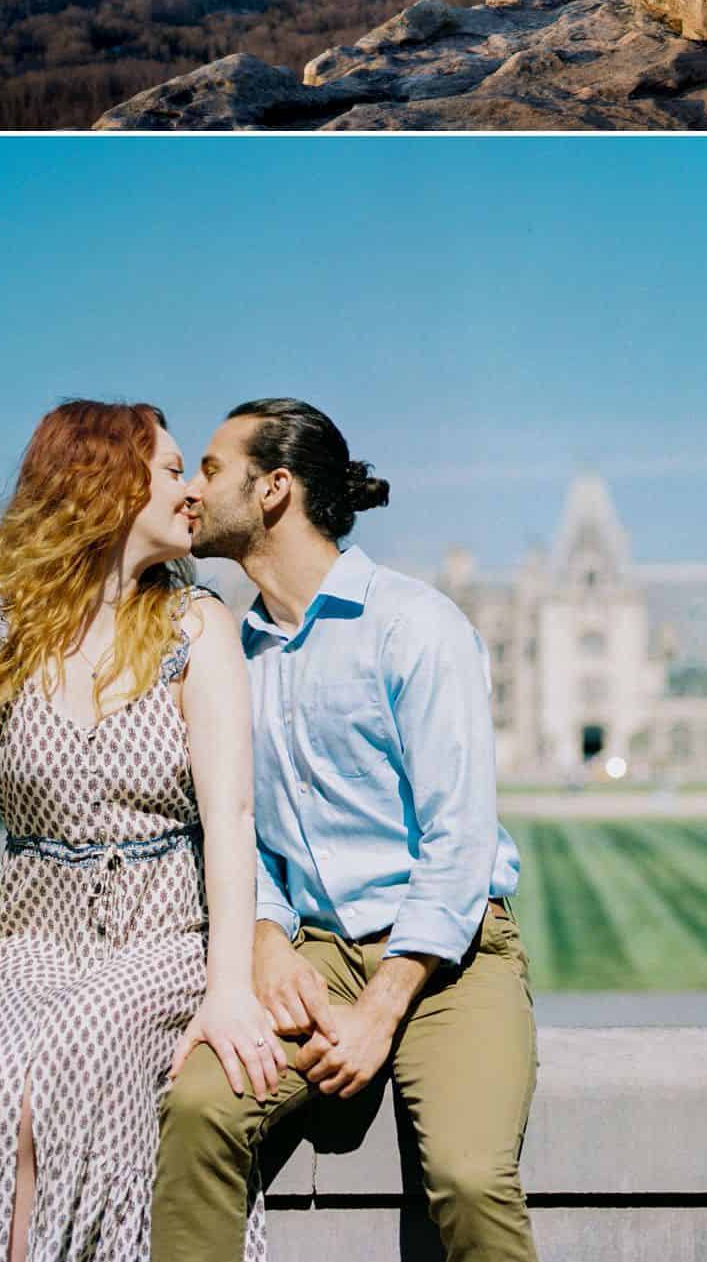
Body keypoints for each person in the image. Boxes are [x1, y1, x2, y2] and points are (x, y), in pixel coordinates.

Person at [0, 400, 279, 1262]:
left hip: (162, 930)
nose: (191, 492)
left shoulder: (200, 629)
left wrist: (228, 987)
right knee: (1, 1081)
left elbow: (229, 818)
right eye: (171, 471)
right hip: (29, 930)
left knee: (86, 1043)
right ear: (106, 484)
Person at [152, 398, 538, 1262]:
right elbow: (239, 825)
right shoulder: (231, 648)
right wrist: (264, 934)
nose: (191, 489)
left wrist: (380, 1008)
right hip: (316, 952)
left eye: (211, 469)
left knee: (470, 1182)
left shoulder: (415, 625)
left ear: (274, 489)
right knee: (201, 1109)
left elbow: (459, 844)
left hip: (448, 958)